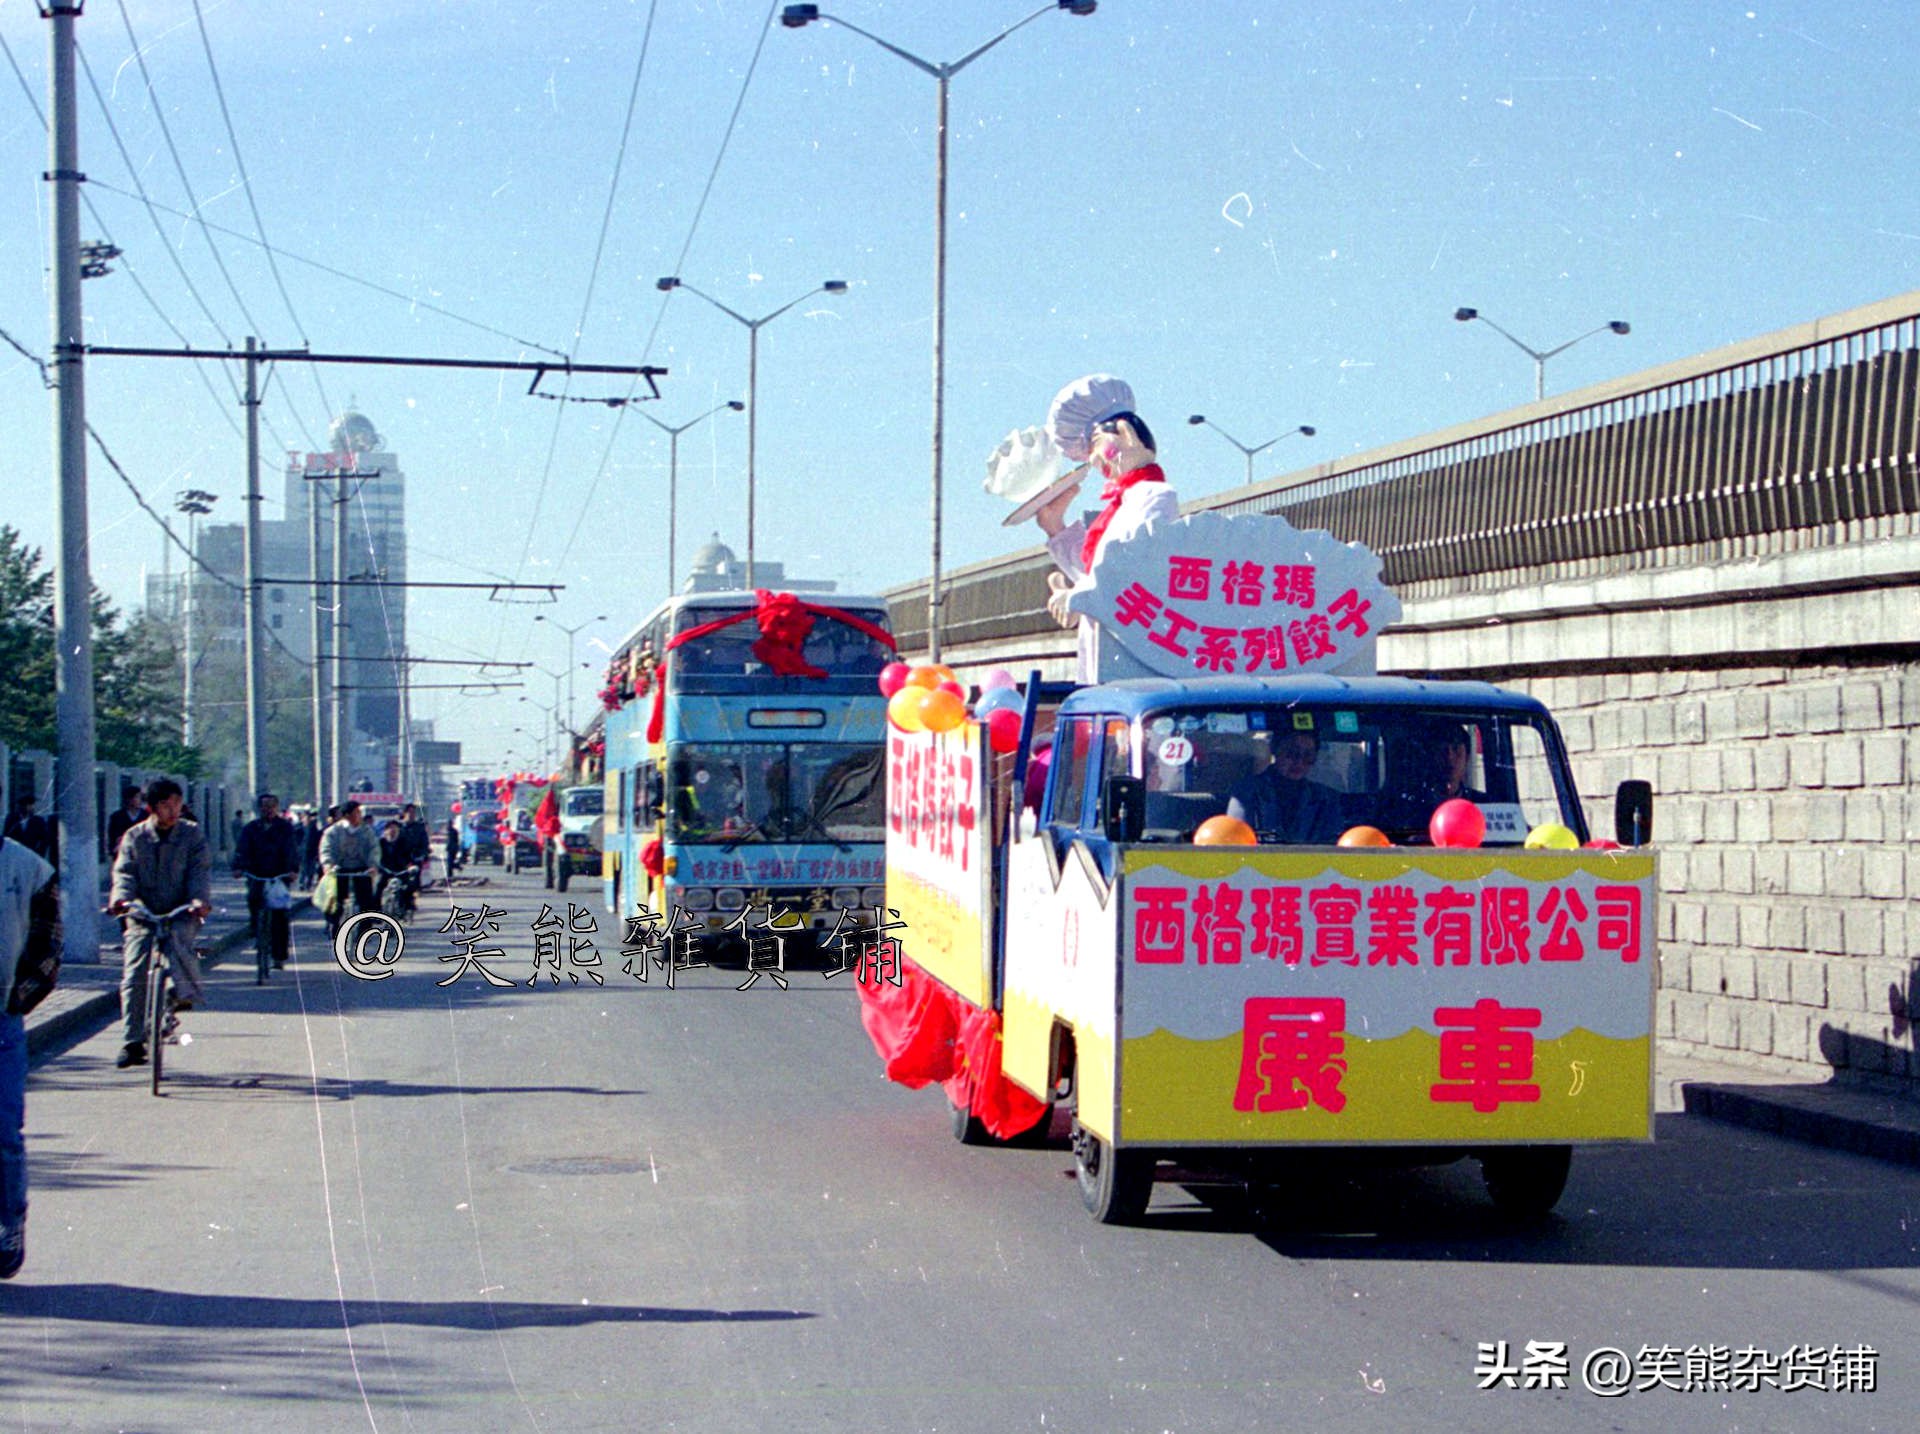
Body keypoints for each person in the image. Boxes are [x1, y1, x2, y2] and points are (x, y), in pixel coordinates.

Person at [1033, 376, 1181, 682]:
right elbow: (1099, 571)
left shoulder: (1155, 498)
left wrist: (1077, 597)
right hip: (1106, 656)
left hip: (1132, 660)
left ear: (1124, 435)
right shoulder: (1122, 507)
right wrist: (1055, 528)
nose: (1092, 458)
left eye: (1094, 445)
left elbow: (1132, 570)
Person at [107, 778, 211, 1070]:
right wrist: (121, 900)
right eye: (166, 805)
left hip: (180, 909)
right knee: (134, 971)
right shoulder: (134, 837)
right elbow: (124, 872)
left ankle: (180, 995)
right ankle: (132, 1042)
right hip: (142, 912)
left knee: (181, 945)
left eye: (177, 804)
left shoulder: (191, 835)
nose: (173, 810)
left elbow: (199, 871)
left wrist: (198, 900)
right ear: (151, 808)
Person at [0, 822, 58, 1278]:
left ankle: (9, 1221)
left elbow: (48, 941)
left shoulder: (30, 869)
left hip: (1, 1019)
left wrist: (19, 997)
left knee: (4, 1134)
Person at [1225, 729, 1344, 844]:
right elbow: (1236, 839)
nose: (1299, 762)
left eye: (1308, 755)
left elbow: (1334, 842)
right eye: (1292, 753)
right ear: (1275, 750)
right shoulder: (1246, 792)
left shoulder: (1326, 799)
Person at [233, 793, 302, 967]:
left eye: (272, 806)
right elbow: (242, 849)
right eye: (265, 806)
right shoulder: (251, 828)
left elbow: (292, 850)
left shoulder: (285, 828)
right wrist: (238, 867)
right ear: (259, 808)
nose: (268, 809)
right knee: (253, 901)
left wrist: (293, 870)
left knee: (280, 916)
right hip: (256, 874)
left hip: (280, 875)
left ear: (277, 808)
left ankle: (278, 955)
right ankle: (257, 931)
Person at [318, 800, 377, 937]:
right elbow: (326, 849)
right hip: (339, 869)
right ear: (347, 815)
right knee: (335, 900)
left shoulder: (366, 831)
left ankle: (365, 932)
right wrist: (328, 865)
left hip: (362, 869)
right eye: (357, 812)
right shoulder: (333, 832)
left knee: (365, 901)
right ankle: (334, 926)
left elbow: (374, 849)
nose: (360, 815)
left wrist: (373, 865)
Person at [1, 796, 53, 865]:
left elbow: (45, 841)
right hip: (15, 857)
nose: (26, 807)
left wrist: (39, 856)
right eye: (23, 805)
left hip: (32, 857)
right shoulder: (11, 819)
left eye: (29, 805)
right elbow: (6, 837)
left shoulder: (38, 821)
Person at [105, 786, 146, 862]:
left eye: (140, 797)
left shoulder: (147, 816)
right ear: (128, 799)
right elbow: (112, 836)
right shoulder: (117, 817)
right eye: (137, 797)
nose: (140, 800)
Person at [299, 810, 323, 890]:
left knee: (311, 869)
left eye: (309, 817)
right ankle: (301, 883)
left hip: (312, 851)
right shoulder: (299, 828)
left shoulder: (313, 827)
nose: (308, 819)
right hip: (302, 852)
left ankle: (309, 883)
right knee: (303, 868)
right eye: (306, 817)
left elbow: (317, 839)